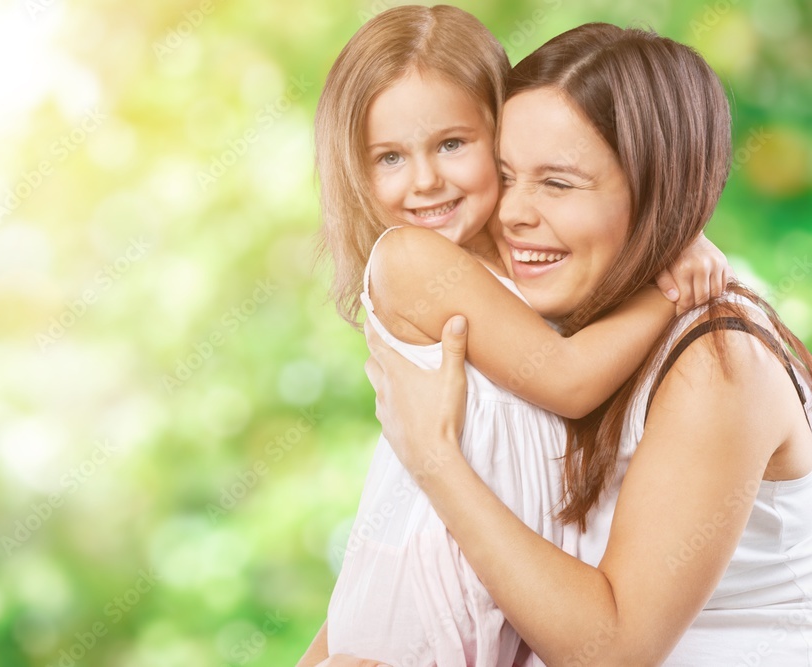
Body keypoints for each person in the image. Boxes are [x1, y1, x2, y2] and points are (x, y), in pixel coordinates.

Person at [346, 23, 812, 666]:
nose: (511, 213)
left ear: (659, 191)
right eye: (506, 175)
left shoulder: (717, 361)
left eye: (559, 183)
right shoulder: (559, 333)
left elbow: (612, 651)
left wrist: (435, 456)